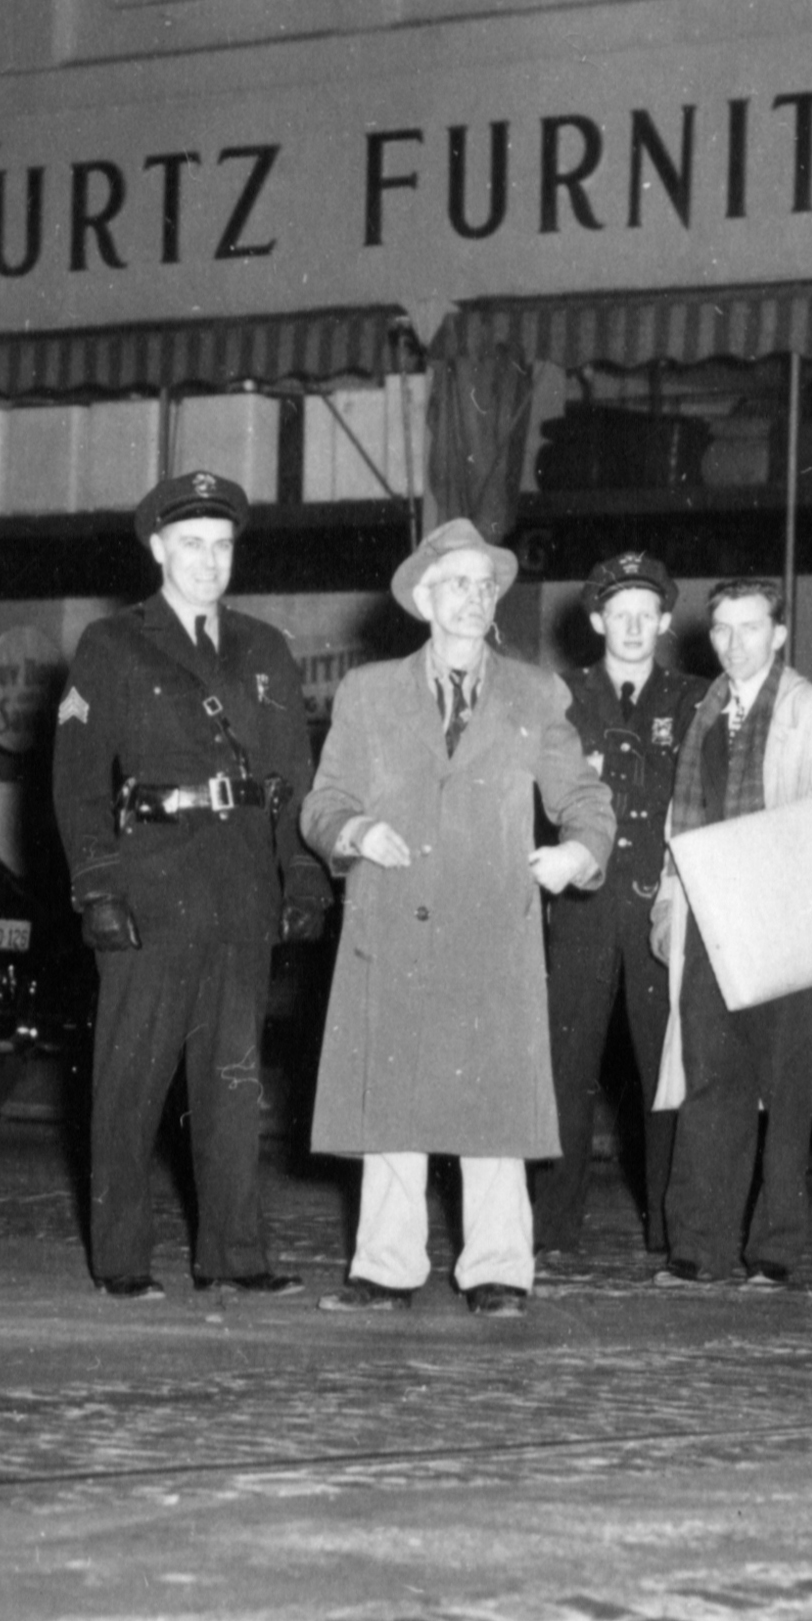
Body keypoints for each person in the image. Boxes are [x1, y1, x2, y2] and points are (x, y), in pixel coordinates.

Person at [303, 519, 613, 1316]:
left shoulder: (536, 693)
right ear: (424, 598)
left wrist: (577, 855)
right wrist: (355, 830)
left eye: (486, 584)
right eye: (458, 583)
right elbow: (324, 802)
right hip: (394, 924)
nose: (474, 597)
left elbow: (583, 800)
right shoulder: (367, 692)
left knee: (494, 1107)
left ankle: (499, 1269)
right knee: (393, 1105)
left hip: (489, 927)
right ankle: (384, 1266)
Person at [48, 470, 327, 1298]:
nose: (209, 561)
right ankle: (123, 1259)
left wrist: (303, 871)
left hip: (242, 888)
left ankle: (234, 1256)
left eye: (223, 545)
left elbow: (290, 773)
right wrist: (96, 886)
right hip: (150, 886)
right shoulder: (113, 644)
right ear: (159, 548)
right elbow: (76, 779)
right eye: (192, 545)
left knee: (233, 1085)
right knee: (130, 1082)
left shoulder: (265, 648)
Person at [658, 576, 812, 1288]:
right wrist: (669, 903)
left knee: (790, 1090)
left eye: (751, 628)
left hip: (795, 919)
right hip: (714, 919)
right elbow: (683, 824)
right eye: (723, 631)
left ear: (779, 633)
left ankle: (773, 1250)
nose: (735, 644)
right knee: (711, 1082)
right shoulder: (704, 709)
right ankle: (697, 1249)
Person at [544, 551, 695, 1261]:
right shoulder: (558, 697)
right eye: (619, 614)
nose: (633, 627)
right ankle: (551, 1229)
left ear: (664, 621)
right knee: (564, 1067)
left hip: (661, 906)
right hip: (581, 905)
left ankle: (671, 1226)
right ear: (597, 619)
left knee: (664, 1069)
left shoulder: (698, 699)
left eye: (647, 615)